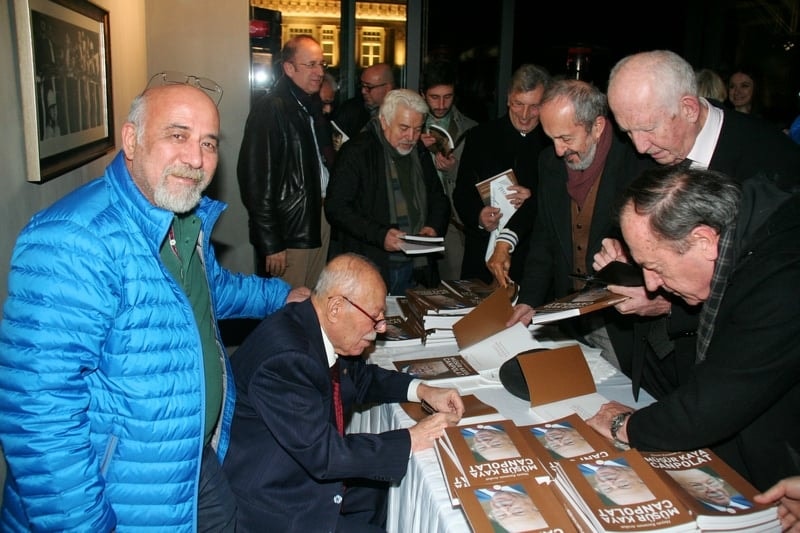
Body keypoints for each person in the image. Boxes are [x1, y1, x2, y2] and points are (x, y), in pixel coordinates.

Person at [0, 77, 309, 531]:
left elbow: (209, 292)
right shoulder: (73, 239)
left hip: (188, 465)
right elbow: (38, 418)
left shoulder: (181, 218)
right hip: (120, 495)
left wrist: (283, 295)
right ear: (131, 139)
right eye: (177, 135)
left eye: (208, 143)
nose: (196, 159)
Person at [598, 49, 800, 400]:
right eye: (628, 132)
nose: (640, 146)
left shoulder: (771, 161)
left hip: (739, 374)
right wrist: (627, 253)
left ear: (689, 108)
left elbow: (775, 297)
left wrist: (668, 304)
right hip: (654, 359)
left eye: (648, 128)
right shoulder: (641, 150)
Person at [586, 165, 800, 492]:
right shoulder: (749, 230)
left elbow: (712, 407)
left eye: (654, 267)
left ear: (703, 241)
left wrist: (624, 425)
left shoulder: (782, 279)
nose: (651, 284)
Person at [222, 253, 463, 532]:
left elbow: (359, 378)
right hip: (279, 502)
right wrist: (412, 438)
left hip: (298, 472)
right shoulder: (285, 359)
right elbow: (325, 455)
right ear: (336, 308)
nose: (382, 328)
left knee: (380, 490)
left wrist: (421, 390)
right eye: (375, 317)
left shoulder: (312, 324)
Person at [495, 79, 652, 372]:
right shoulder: (550, 163)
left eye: (566, 138)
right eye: (551, 138)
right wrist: (529, 300)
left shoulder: (635, 162)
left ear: (597, 127)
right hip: (568, 312)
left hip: (622, 317)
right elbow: (544, 238)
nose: (558, 150)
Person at [325, 89, 451, 295]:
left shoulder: (418, 151)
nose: (411, 137)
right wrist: (380, 235)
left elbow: (439, 198)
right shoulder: (357, 151)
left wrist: (433, 227)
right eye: (404, 128)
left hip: (416, 265)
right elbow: (336, 207)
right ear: (384, 121)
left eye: (418, 129)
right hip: (370, 265)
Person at [237, 34, 335, 288]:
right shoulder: (271, 108)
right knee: (287, 309)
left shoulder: (308, 107)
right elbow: (256, 182)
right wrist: (271, 242)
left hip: (317, 218)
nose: (319, 72)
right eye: (310, 64)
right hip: (290, 229)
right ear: (289, 68)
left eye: (321, 64)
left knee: (311, 303)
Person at [452, 64, 552, 284]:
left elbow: (560, 201)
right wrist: (478, 216)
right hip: (481, 255)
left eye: (534, 107)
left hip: (532, 261)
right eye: (518, 104)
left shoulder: (553, 144)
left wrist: (533, 196)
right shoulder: (480, 136)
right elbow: (461, 192)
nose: (525, 115)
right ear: (508, 99)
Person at [418, 59, 479, 281]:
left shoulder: (470, 128)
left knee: (453, 286)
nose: (442, 104)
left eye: (448, 97)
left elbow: (477, 180)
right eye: (435, 97)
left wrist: (453, 170)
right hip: (418, 218)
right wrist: (417, 149)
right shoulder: (409, 126)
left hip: (455, 222)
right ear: (423, 94)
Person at [332, 62, 395, 141]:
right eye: (362, 85)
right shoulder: (349, 110)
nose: (363, 91)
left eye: (369, 87)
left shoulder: (400, 112)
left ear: (387, 88)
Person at [666, 468, 752, 512]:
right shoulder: (702, 516)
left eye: (711, 482)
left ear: (720, 481)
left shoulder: (748, 498)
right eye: (698, 486)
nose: (712, 490)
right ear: (686, 493)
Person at [481, 486, 547, 532]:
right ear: (536, 505)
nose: (503, 508)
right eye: (518, 511)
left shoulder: (476, 496)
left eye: (501, 515)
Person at [591, 462, 655, 506]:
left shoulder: (583, 470)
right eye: (624, 485)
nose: (608, 482)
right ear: (641, 477)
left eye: (607, 488)